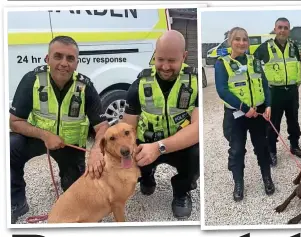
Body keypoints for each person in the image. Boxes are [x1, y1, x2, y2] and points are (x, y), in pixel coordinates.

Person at [9, 36, 109, 224]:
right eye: (58, 56)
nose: (64, 63)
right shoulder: (32, 80)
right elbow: (14, 122)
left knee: (75, 195)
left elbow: (102, 126)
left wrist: (97, 149)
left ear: (76, 63)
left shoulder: (85, 87)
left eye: (70, 58)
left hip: (70, 145)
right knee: (9, 147)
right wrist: (44, 134)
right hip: (38, 139)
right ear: (48, 59)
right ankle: (16, 201)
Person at [122, 30, 199, 219]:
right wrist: (126, 161)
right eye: (160, 59)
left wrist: (160, 147)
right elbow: (128, 130)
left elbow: (198, 129)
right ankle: (146, 175)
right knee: (129, 159)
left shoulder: (195, 83)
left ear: (184, 56)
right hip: (145, 144)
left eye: (172, 61)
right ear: (155, 55)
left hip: (178, 145)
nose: (165, 66)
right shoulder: (139, 84)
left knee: (197, 154)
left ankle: (181, 191)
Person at [215, 27, 275, 202]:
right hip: (237, 116)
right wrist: (243, 107)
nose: (242, 43)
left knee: (262, 148)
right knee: (237, 151)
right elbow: (222, 90)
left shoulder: (254, 61)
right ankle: (238, 184)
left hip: (257, 113)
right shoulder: (222, 63)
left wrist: (269, 105)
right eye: (237, 39)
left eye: (245, 39)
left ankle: (267, 178)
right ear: (230, 42)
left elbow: (265, 84)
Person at [253, 17, 301, 166]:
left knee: (293, 121)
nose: (282, 30)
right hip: (273, 92)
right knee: (272, 123)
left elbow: (299, 65)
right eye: (280, 27)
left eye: (285, 28)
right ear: (275, 29)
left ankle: (294, 146)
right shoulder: (266, 47)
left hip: (291, 91)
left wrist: (297, 83)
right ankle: (272, 151)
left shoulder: (293, 47)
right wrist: (261, 87)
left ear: (289, 30)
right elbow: (254, 65)